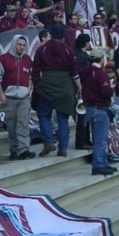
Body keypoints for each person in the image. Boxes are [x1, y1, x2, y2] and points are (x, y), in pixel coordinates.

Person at [32, 24, 80, 157]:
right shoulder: (68, 50)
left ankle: (48, 141)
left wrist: (37, 85)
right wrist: (79, 87)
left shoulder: (42, 50)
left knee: (43, 115)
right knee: (63, 118)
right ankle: (63, 148)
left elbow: (35, 70)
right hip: (65, 86)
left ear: (51, 34)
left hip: (46, 85)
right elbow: (74, 72)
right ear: (63, 36)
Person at [0, 34, 36, 160]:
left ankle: (24, 149)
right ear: (13, 44)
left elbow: (31, 75)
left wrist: (29, 88)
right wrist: (1, 95)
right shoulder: (3, 59)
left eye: (23, 45)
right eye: (19, 44)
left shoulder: (28, 60)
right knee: (11, 126)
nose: (21, 47)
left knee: (23, 123)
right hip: (9, 97)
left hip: (24, 97)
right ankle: (14, 150)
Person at [79, 47, 118, 176]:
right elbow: (106, 92)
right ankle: (99, 164)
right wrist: (111, 87)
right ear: (101, 59)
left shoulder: (86, 71)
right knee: (100, 139)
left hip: (89, 107)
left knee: (97, 138)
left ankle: (103, 163)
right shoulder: (100, 73)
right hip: (99, 108)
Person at [74, 33, 93, 151]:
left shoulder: (79, 54)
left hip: (83, 89)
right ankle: (81, 141)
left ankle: (85, 139)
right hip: (81, 90)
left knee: (84, 116)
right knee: (82, 116)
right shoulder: (80, 57)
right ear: (86, 43)